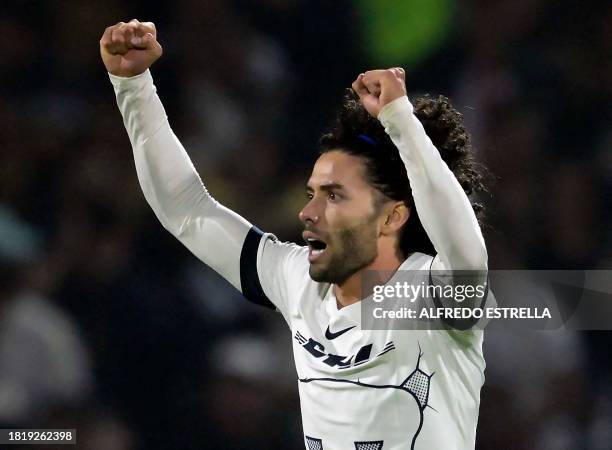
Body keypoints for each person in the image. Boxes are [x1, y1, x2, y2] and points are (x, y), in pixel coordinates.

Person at [100, 19, 489, 450]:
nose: (307, 212)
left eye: (334, 196)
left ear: (392, 218)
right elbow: (188, 212)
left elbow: (466, 253)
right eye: (311, 194)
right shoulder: (297, 282)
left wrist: (401, 120)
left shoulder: (429, 295)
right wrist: (133, 86)